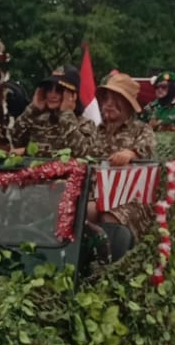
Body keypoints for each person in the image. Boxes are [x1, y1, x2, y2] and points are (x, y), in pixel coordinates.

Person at [82, 72, 157, 241]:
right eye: (106, 98)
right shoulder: (94, 130)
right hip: (96, 194)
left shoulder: (141, 129)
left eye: (116, 99)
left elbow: (147, 147)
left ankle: (111, 257)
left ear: (128, 104)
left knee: (109, 217)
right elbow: (79, 153)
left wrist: (131, 153)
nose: (109, 103)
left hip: (129, 197)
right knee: (83, 212)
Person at [10, 66, 95, 155]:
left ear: (73, 95)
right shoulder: (37, 119)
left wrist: (66, 114)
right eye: (49, 88)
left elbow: (83, 152)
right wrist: (32, 109)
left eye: (59, 90)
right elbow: (14, 140)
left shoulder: (85, 124)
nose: (52, 94)